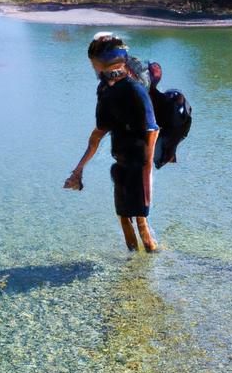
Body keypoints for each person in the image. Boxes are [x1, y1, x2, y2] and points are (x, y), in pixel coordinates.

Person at [63, 33, 160, 252]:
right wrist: (79, 170)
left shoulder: (134, 89)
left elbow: (152, 130)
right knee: (123, 217)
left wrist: (147, 170)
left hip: (138, 164)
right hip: (121, 162)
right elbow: (97, 135)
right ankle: (133, 268)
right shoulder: (106, 91)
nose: (94, 70)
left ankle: (149, 264)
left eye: (94, 64)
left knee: (141, 220)